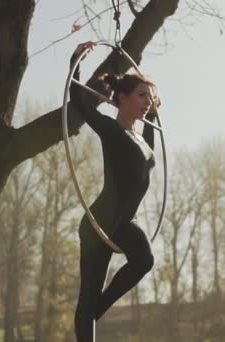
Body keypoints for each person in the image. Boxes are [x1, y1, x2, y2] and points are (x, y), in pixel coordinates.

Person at [70, 41, 160, 342]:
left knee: (144, 260)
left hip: (123, 223)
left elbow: (150, 141)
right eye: (142, 95)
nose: (148, 101)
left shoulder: (143, 139)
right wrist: (75, 61)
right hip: (100, 224)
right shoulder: (111, 130)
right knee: (89, 293)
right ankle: (90, 311)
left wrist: (154, 109)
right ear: (121, 98)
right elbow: (80, 103)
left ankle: (93, 310)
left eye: (151, 96)